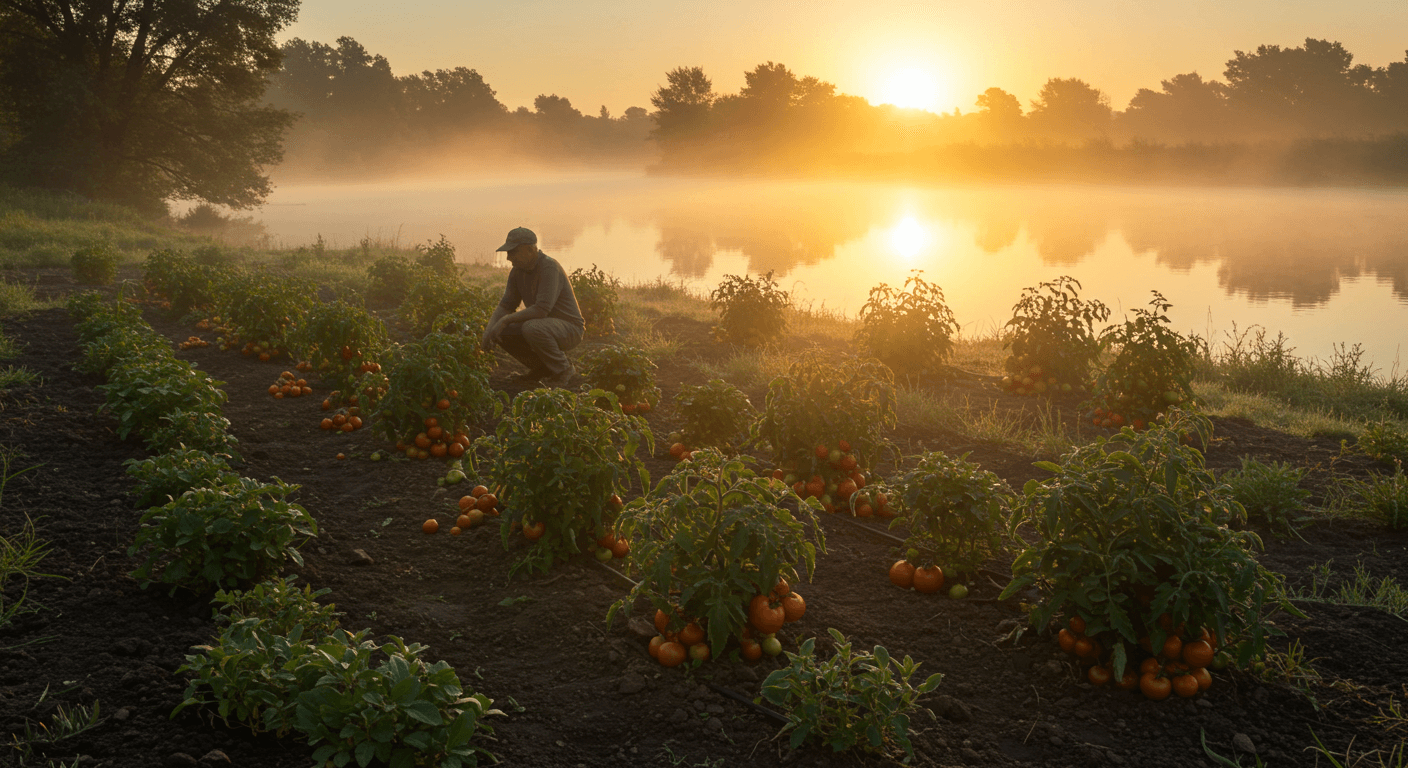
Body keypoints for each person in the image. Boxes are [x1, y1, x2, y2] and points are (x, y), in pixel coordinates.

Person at [480, 227, 585, 388]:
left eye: (513, 252)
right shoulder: (517, 272)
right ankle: (542, 368)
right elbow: (505, 305)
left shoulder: (549, 268)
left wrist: (505, 320)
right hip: (545, 326)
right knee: (504, 330)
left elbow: (541, 310)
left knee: (531, 327)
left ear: (530, 250)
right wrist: (488, 333)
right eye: (508, 252)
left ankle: (564, 370)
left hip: (570, 329)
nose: (508, 257)